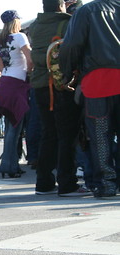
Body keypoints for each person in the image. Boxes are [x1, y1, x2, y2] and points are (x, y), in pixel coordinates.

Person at [59, 0, 120, 198]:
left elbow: (71, 45)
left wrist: (67, 73)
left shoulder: (87, 11)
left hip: (97, 81)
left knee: (100, 136)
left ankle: (107, 184)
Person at [29, 0, 90, 196]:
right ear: (60, 5)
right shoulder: (67, 23)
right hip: (61, 84)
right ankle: (67, 183)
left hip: (40, 85)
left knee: (49, 133)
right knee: (68, 134)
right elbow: (75, 51)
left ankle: (44, 182)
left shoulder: (35, 26)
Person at [0, 10, 33, 178]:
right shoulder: (20, 37)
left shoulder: (0, 42)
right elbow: (30, 59)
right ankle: (9, 166)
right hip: (17, 84)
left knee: (9, 128)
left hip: (4, 84)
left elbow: (1, 68)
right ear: (16, 21)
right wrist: (29, 72)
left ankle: (11, 164)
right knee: (15, 129)